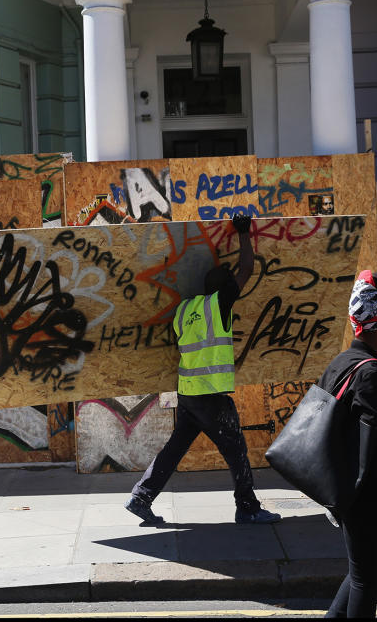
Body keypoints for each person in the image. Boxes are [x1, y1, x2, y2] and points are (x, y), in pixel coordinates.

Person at [125, 213, 281, 526]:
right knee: (236, 448)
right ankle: (247, 507)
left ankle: (141, 497)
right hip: (210, 395)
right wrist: (243, 232)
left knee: (175, 448)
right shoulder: (219, 304)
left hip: (189, 393)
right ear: (223, 289)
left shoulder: (185, 310)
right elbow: (247, 269)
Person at [318, 270, 377, 618]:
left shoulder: (341, 363)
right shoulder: (372, 373)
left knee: (376, 561)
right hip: (361, 491)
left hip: (339, 484)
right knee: (364, 577)